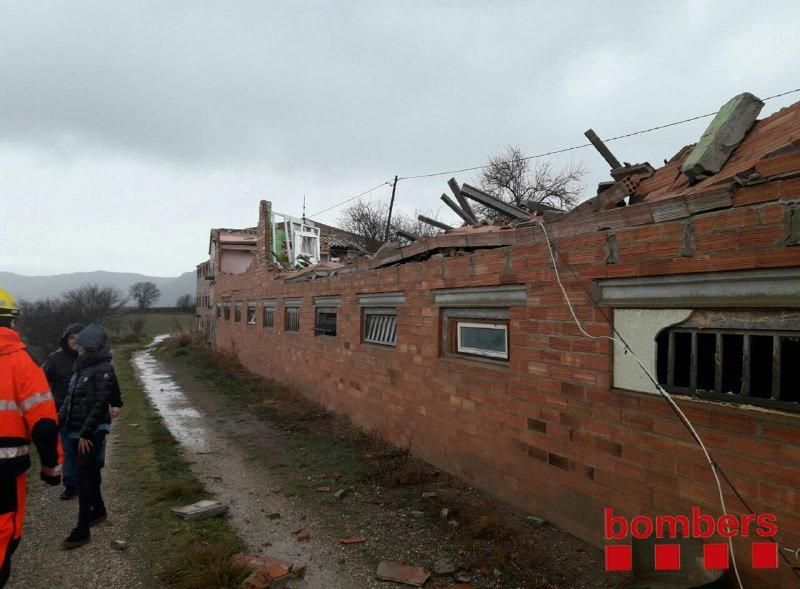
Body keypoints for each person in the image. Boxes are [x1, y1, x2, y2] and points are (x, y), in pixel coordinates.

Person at [0, 288, 62, 586]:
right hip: (5, 474)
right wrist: (51, 468)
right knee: (3, 534)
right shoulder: (23, 364)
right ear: (12, 322)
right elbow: (45, 426)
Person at [59, 324, 118, 549]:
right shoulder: (82, 366)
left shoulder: (103, 369)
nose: (77, 347)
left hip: (91, 431)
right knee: (91, 473)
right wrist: (59, 418)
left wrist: (87, 432)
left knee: (84, 476)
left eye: (81, 343)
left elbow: (101, 402)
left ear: (91, 346)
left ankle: (82, 529)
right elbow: (70, 399)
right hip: (76, 429)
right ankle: (99, 510)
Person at [43, 323, 85, 500]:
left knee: (86, 453)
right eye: (71, 337)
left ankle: (87, 484)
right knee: (68, 451)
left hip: (87, 413)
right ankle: (71, 485)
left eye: (79, 337)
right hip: (63, 413)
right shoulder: (54, 359)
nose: (75, 341)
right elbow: (41, 383)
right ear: (66, 339)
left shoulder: (91, 357)